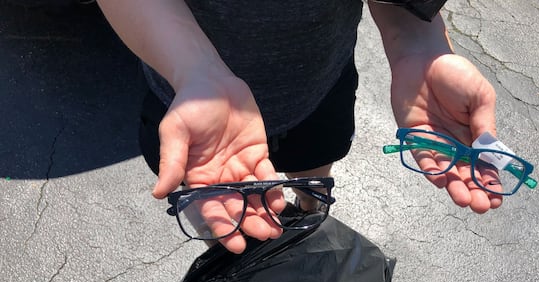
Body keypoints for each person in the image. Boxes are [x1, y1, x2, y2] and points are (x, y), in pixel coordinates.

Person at [96, 0, 502, 254]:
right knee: (226, 211)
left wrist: (421, 50)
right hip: (196, 113)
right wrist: (194, 71)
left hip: (320, 88)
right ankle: (242, 239)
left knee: (315, 165)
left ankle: (312, 207)